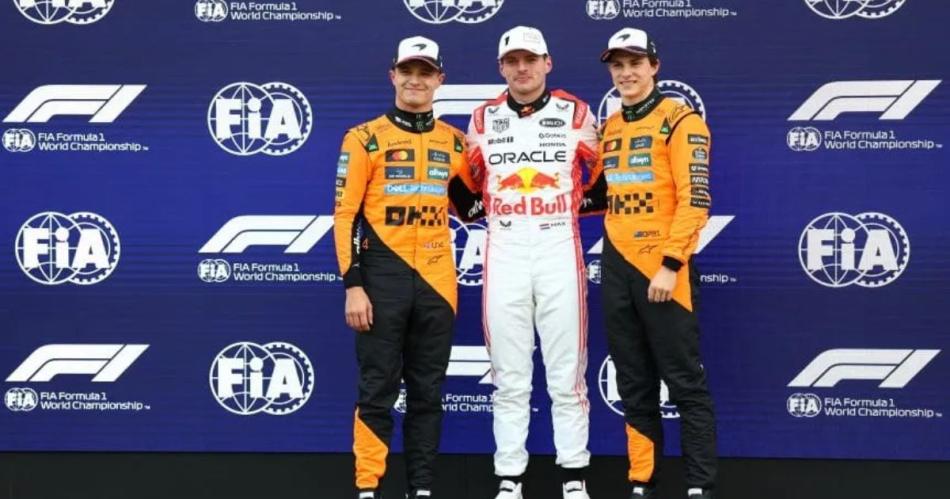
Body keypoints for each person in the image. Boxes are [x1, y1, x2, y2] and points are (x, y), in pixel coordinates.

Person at [333, 35, 479, 499]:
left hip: (438, 282)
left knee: (427, 393)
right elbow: (345, 215)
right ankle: (367, 487)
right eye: (408, 71)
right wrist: (353, 285)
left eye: (425, 72)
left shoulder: (455, 142)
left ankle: (421, 489)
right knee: (377, 388)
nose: (416, 80)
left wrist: (519, 182)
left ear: (440, 79)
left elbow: (471, 207)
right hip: (381, 279)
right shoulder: (364, 138)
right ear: (393, 75)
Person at [460, 25, 600, 499]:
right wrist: (497, 209)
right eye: (513, 61)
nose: (522, 69)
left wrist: (568, 206)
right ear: (501, 67)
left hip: (559, 245)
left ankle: (574, 477)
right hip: (504, 249)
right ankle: (510, 479)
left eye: (530, 59)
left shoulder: (576, 113)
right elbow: (466, 186)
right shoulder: (482, 120)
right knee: (509, 376)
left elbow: (606, 175)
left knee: (567, 374)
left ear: (547, 63)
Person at [587, 28, 718, 499]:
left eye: (635, 63)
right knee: (633, 383)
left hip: (664, 271)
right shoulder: (610, 126)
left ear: (654, 67)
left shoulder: (681, 121)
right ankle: (642, 481)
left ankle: (700, 485)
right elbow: (595, 195)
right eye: (618, 65)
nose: (626, 73)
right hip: (617, 268)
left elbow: (695, 199)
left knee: (685, 383)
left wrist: (671, 263)